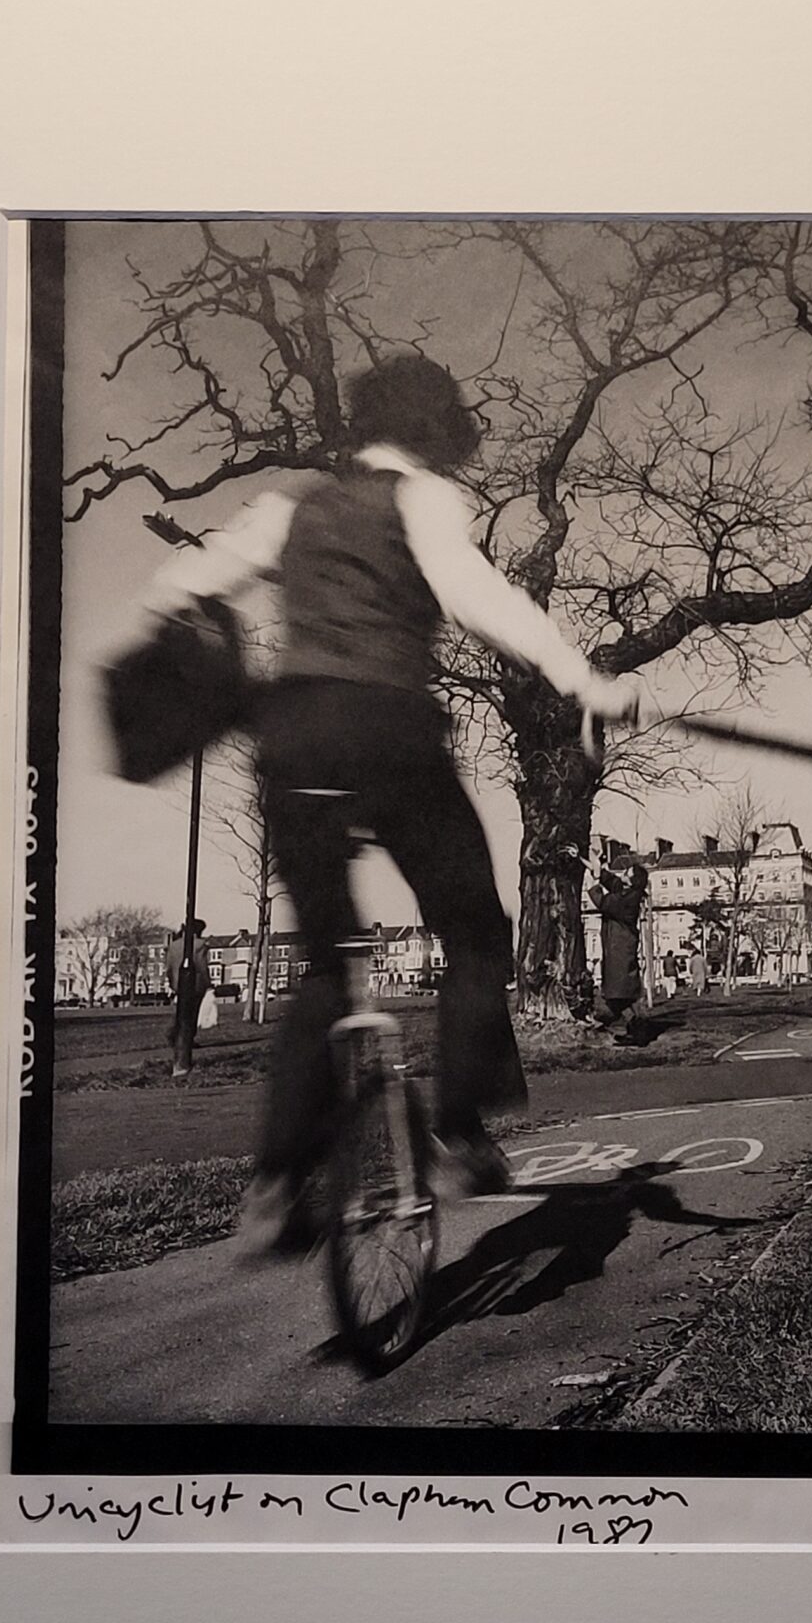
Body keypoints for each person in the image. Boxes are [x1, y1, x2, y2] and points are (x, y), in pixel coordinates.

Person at [139, 352, 642, 1255]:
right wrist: (583, 681)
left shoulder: (291, 506)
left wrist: (210, 658)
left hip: (292, 738)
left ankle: (277, 1181)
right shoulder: (425, 499)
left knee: (326, 961)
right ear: (436, 431)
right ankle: (458, 1134)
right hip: (390, 733)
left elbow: (182, 585)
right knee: (475, 928)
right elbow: (481, 597)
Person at [588, 841, 650, 1042]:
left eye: (627, 873)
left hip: (620, 951)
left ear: (632, 881)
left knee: (617, 995)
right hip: (618, 948)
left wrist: (594, 881)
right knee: (621, 995)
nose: (623, 873)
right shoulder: (629, 893)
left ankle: (631, 1029)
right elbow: (612, 881)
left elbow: (603, 901)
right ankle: (635, 1030)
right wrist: (594, 866)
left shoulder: (628, 900)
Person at [162, 915, 209, 1082]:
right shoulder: (200, 945)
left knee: (181, 1011)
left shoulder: (173, 946)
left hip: (178, 984)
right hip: (194, 984)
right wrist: (208, 983)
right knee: (192, 1014)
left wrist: (172, 983)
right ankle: (184, 1041)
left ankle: (176, 1035)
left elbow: (168, 968)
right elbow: (202, 966)